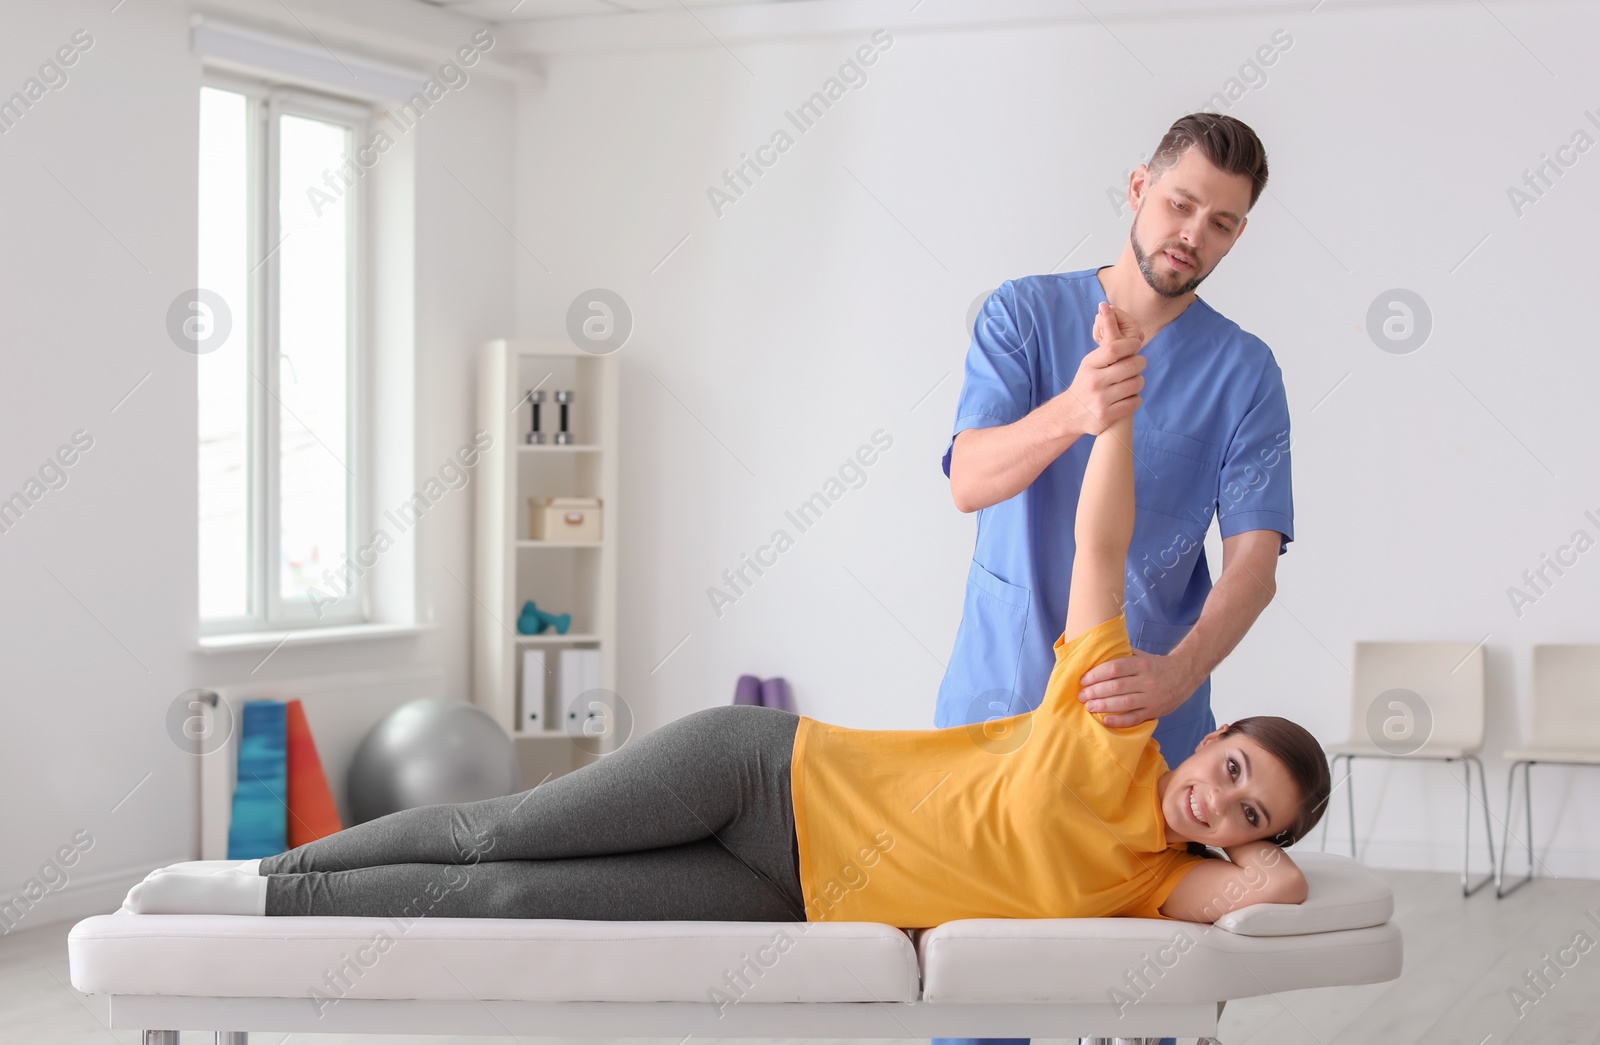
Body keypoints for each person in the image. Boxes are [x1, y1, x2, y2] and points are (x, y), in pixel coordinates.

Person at [124, 302, 1328, 930]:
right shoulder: (1112, 718)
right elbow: (1098, 542)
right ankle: (259, 885)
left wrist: (1248, 832)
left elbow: (1271, 892)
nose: (1219, 795)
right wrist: (1104, 413)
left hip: (784, 898)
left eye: (1247, 808)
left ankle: (273, 895)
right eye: (1230, 766)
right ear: (1203, 739)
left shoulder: (1156, 884)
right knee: (502, 835)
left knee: (505, 901)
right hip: (761, 778)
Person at [939, 111, 1294, 1045]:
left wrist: (1180, 674)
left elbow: (1254, 565)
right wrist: (1075, 407)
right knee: (981, 989)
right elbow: (968, 478)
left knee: (1145, 1003)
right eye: (1181, 204)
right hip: (1000, 701)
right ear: (1138, 188)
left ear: (1240, 234)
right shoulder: (1023, 314)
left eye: (1221, 222)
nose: (1193, 234)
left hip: (1148, 728)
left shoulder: (1245, 372)